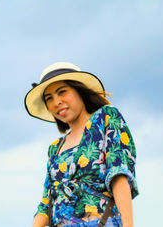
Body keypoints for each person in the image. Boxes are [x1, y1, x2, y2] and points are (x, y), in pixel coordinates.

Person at [24, 62, 138, 227]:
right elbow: (45, 203)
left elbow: (118, 175)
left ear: (80, 91)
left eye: (62, 92)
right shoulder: (55, 148)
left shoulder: (106, 118)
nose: (56, 102)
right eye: (49, 99)